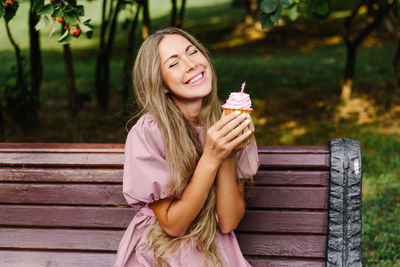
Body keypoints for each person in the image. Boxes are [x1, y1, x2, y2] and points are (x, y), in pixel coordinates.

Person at [114, 27, 259, 267]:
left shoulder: (231, 124)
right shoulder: (150, 132)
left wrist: (226, 153)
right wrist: (211, 156)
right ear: (161, 84)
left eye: (193, 52)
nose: (191, 64)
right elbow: (173, 225)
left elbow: (228, 222)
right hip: (162, 251)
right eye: (174, 63)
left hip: (216, 248)